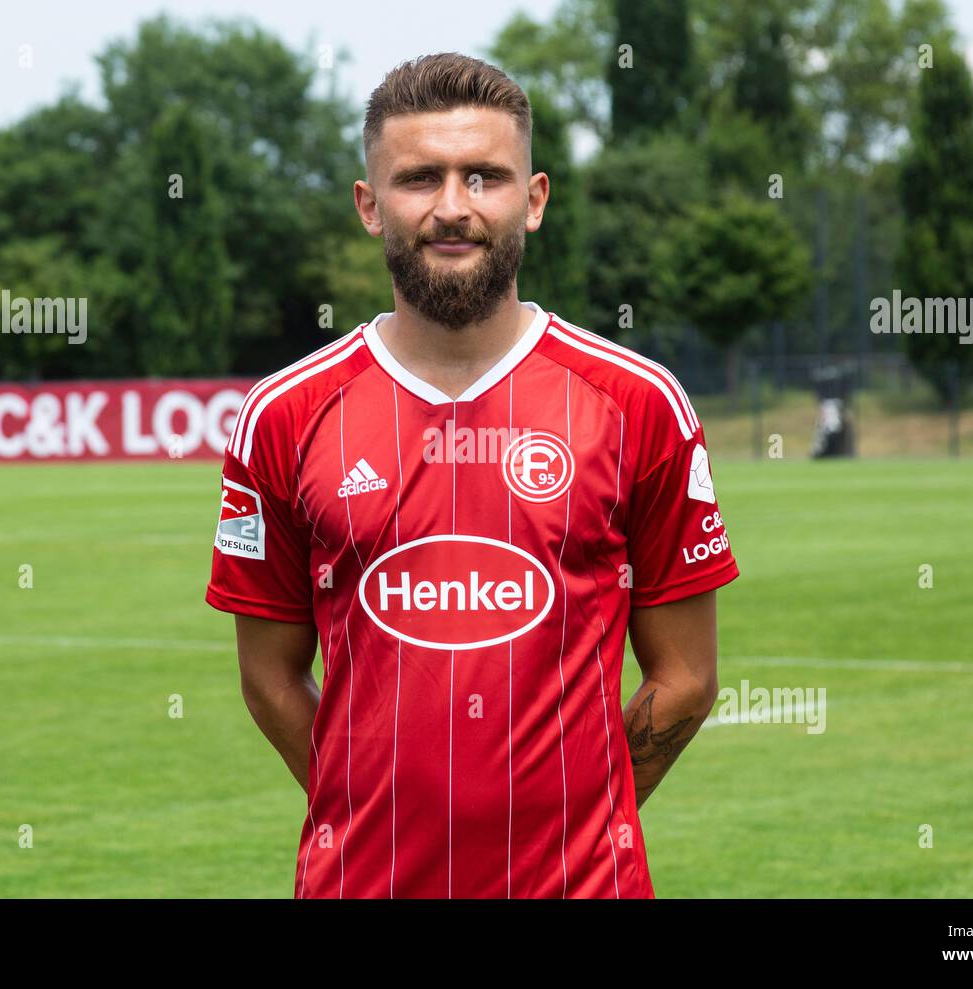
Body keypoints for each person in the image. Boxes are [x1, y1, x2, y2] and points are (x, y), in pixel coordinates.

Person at [206, 52, 739, 898]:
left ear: (533, 199)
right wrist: (370, 810)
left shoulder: (638, 402)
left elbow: (687, 678)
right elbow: (268, 676)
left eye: (484, 176)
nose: (453, 208)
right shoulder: (284, 414)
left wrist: (578, 818)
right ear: (369, 204)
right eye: (420, 178)